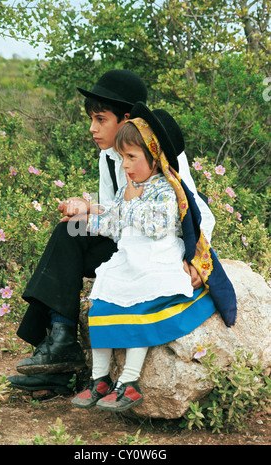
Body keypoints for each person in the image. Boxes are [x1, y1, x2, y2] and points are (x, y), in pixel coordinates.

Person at [8, 70, 215, 393]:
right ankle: (59, 343)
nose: (92, 128)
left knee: (72, 235)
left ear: (127, 119)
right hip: (127, 240)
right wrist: (87, 209)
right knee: (69, 230)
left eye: (100, 119)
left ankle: (57, 358)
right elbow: (115, 211)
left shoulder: (163, 151)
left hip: (157, 247)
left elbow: (198, 211)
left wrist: (199, 263)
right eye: (91, 119)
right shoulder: (108, 156)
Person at [71, 102, 237, 412]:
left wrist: (130, 204)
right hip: (130, 261)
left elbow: (156, 225)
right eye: (122, 158)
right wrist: (83, 220)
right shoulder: (129, 189)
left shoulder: (166, 189)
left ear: (154, 155)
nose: (125, 166)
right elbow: (114, 223)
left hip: (157, 263)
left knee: (140, 311)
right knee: (101, 303)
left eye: (131, 157)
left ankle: (129, 382)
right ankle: (100, 378)